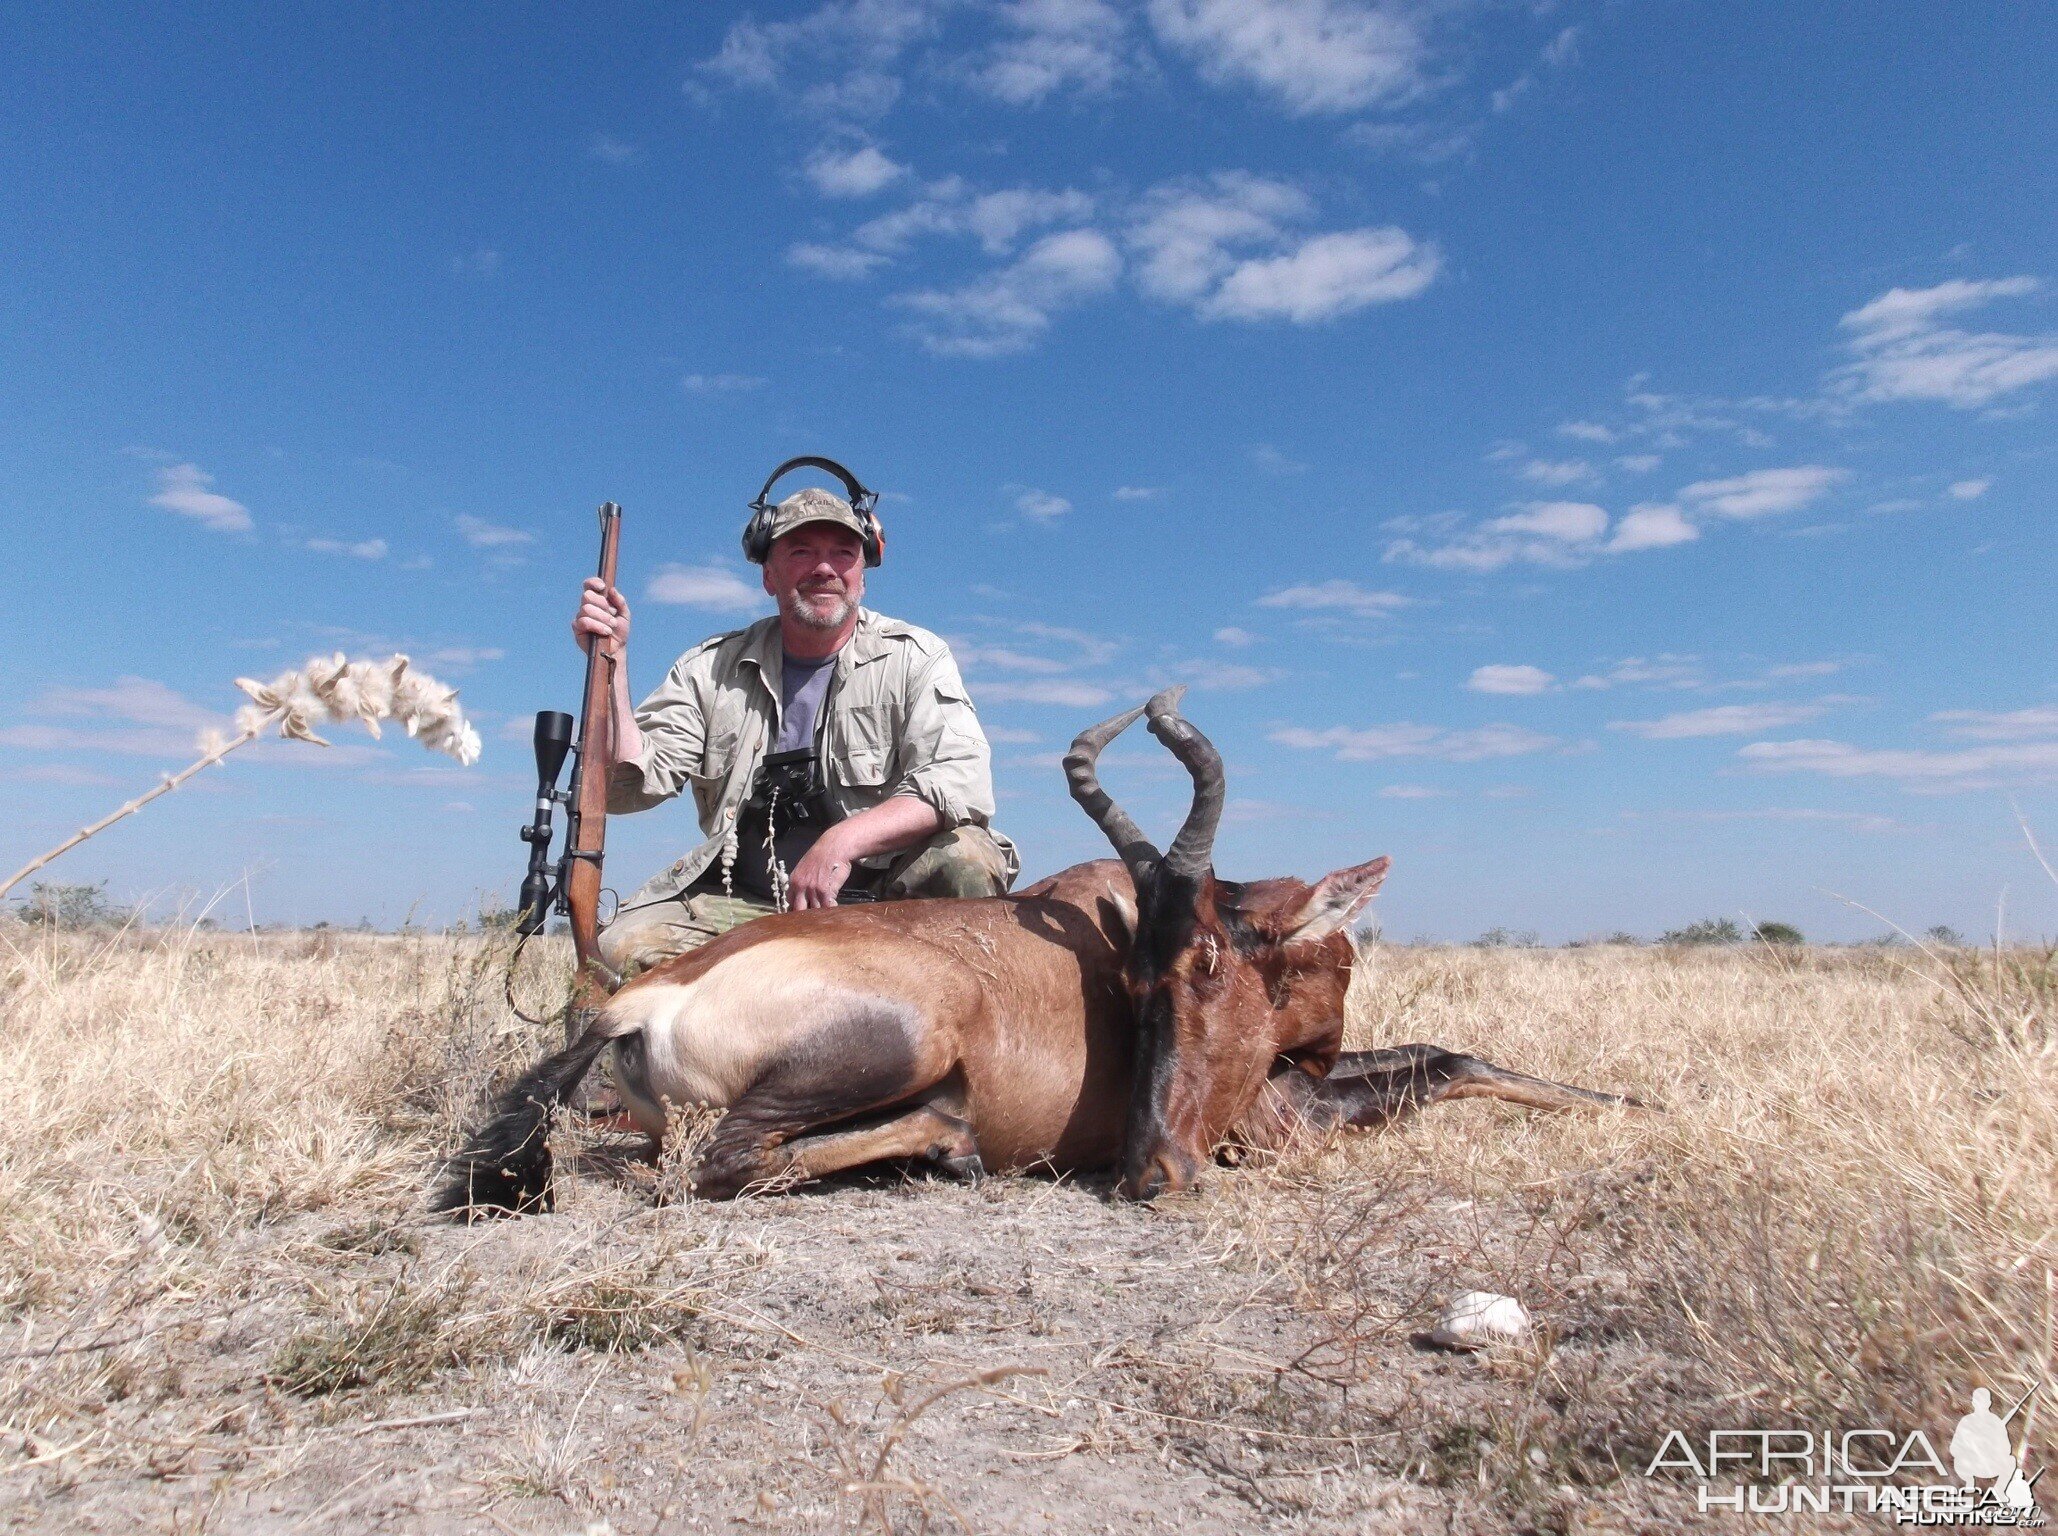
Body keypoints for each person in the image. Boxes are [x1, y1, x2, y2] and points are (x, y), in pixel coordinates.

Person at [572, 475, 1017, 978]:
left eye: (843, 552)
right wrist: (614, 663)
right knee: (619, 951)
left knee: (967, 858)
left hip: (882, 905)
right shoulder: (709, 668)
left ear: (863, 572)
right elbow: (629, 786)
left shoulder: (916, 658)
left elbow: (960, 780)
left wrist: (841, 842)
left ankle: (964, 1044)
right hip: (745, 902)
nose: (824, 569)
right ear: (768, 575)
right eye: (801, 552)